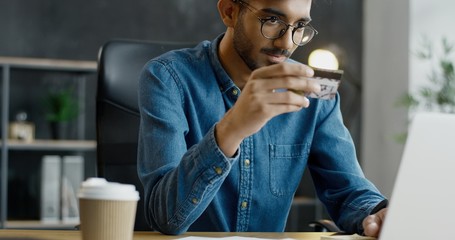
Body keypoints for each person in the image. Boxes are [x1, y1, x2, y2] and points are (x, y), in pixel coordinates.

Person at [137, 0, 387, 236]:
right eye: (272, 20)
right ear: (229, 12)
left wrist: (378, 214)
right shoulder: (166, 77)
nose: (287, 43)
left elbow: (349, 191)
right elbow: (164, 218)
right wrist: (231, 129)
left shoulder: (315, 90)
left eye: (299, 26)